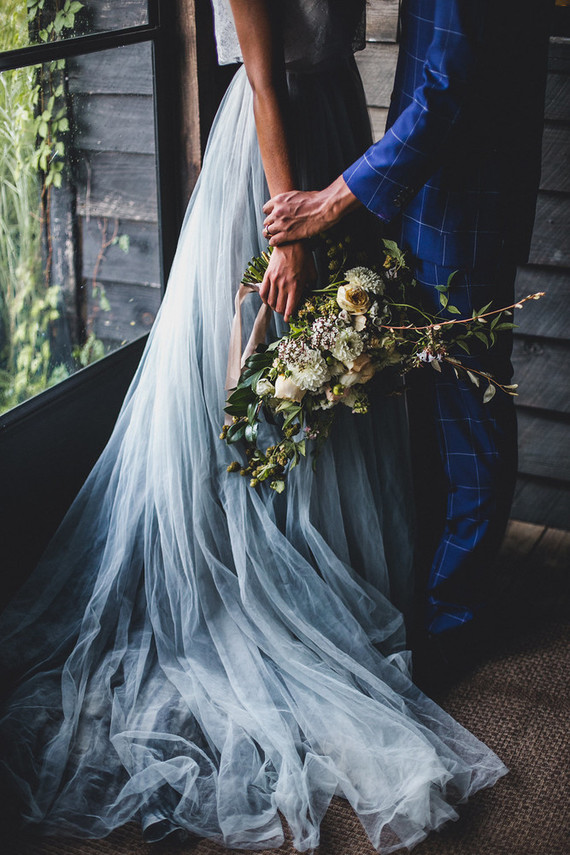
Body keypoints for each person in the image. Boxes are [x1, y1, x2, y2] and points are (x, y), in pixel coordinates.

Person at [0, 2, 507, 852]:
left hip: (341, 129)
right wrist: (289, 234)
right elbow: (266, 75)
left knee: (344, 370)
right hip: (277, 150)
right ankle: (262, 579)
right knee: (275, 367)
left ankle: (340, 575)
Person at [263, 0, 552, 671]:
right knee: (447, 401)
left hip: (462, 199)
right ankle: (443, 593)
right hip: (447, 190)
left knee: (469, 406)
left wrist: (332, 199)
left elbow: (445, 85)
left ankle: (456, 621)